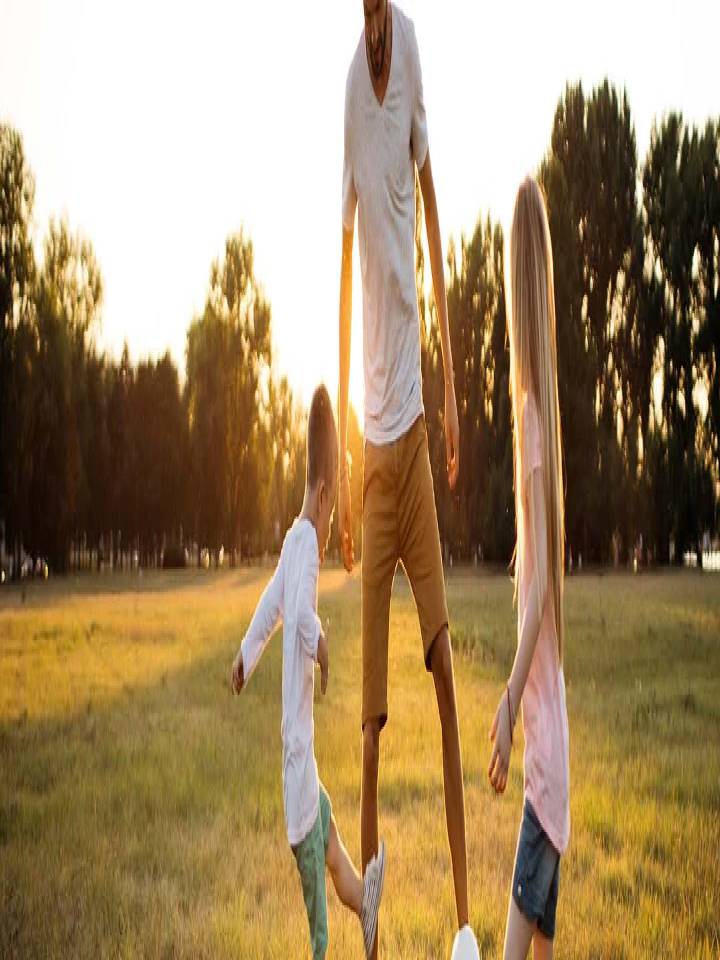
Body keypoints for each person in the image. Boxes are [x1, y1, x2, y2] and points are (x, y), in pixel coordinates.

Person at [338, 2, 477, 954]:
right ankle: (375, 939)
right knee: (372, 728)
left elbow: (431, 214)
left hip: (419, 434)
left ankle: (468, 928)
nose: (375, 10)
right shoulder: (349, 87)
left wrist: (456, 385)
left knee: (446, 674)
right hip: (370, 453)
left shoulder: (414, 47)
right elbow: (341, 253)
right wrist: (345, 449)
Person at [231, 385, 386, 959]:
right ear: (323, 495)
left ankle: (366, 905)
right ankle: (337, 934)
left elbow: (271, 607)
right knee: (318, 933)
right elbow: (293, 612)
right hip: (298, 782)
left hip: (308, 776)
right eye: (333, 512)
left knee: (338, 849)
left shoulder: (294, 543)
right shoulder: (306, 548)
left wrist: (246, 657)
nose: (331, 527)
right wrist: (320, 643)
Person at [487, 178, 570, 958]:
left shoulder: (531, 417)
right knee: (540, 942)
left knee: (514, 949)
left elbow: (542, 587)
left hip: (541, 730)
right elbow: (541, 571)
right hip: (554, 725)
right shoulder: (539, 409)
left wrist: (509, 704)